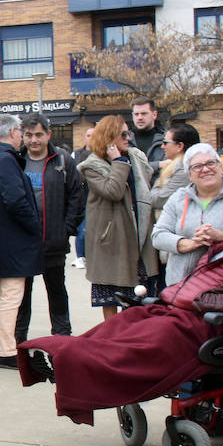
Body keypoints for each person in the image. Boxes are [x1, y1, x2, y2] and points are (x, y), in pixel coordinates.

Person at [18, 186, 223, 426]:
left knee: (143, 341)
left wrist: (201, 302)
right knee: (125, 320)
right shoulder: (222, 247)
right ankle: (64, 356)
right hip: (175, 307)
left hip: (204, 321)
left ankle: (69, 361)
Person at [0, 114, 42, 369]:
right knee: (11, 295)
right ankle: (6, 350)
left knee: (1, 294)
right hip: (14, 237)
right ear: (14, 132)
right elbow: (15, 200)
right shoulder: (5, 159)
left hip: (0, 235)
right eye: (21, 132)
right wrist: (33, 225)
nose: (23, 137)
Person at [14, 114, 85, 347]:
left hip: (53, 240)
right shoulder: (15, 160)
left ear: (48, 135)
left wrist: (66, 229)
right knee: (22, 295)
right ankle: (19, 340)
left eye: (38, 135)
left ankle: (62, 337)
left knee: (56, 290)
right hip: (24, 242)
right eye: (29, 135)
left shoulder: (62, 160)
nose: (33, 140)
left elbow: (77, 195)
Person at [78, 115, 158, 321]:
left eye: (128, 132)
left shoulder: (136, 156)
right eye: (122, 134)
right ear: (109, 137)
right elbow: (112, 191)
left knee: (140, 296)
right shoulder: (92, 165)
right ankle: (113, 339)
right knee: (111, 297)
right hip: (112, 238)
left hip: (138, 230)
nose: (128, 137)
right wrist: (118, 162)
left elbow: (147, 183)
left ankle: (135, 339)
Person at [151, 143, 223, 287]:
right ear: (189, 175)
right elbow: (158, 236)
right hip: (180, 285)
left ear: (221, 167)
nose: (205, 169)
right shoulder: (178, 198)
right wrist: (189, 243)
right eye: (197, 167)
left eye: (211, 163)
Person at [148, 123, 199, 214]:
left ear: (180, 146)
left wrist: (157, 184)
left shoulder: (184, 169)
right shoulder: (175, 166)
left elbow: (158, 200)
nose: (162, 147)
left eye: (165, 143)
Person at [72, 126, 95, 269]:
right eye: (88, 135)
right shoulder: (76, 154)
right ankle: (80, 256)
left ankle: (90, 256)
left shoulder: (100, 154)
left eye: (94, 135)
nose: (91, 138)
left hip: (95, 196)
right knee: (82, 230)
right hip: (82, 197)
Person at [129, 96, 165, 171]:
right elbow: (125, 169)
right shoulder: (125, 141)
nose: (140, 117)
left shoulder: (165, 140)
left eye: (144, 113)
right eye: (136, 114)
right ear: (132, 116)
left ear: (154, 115)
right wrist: (158, 165)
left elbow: (170, 166)